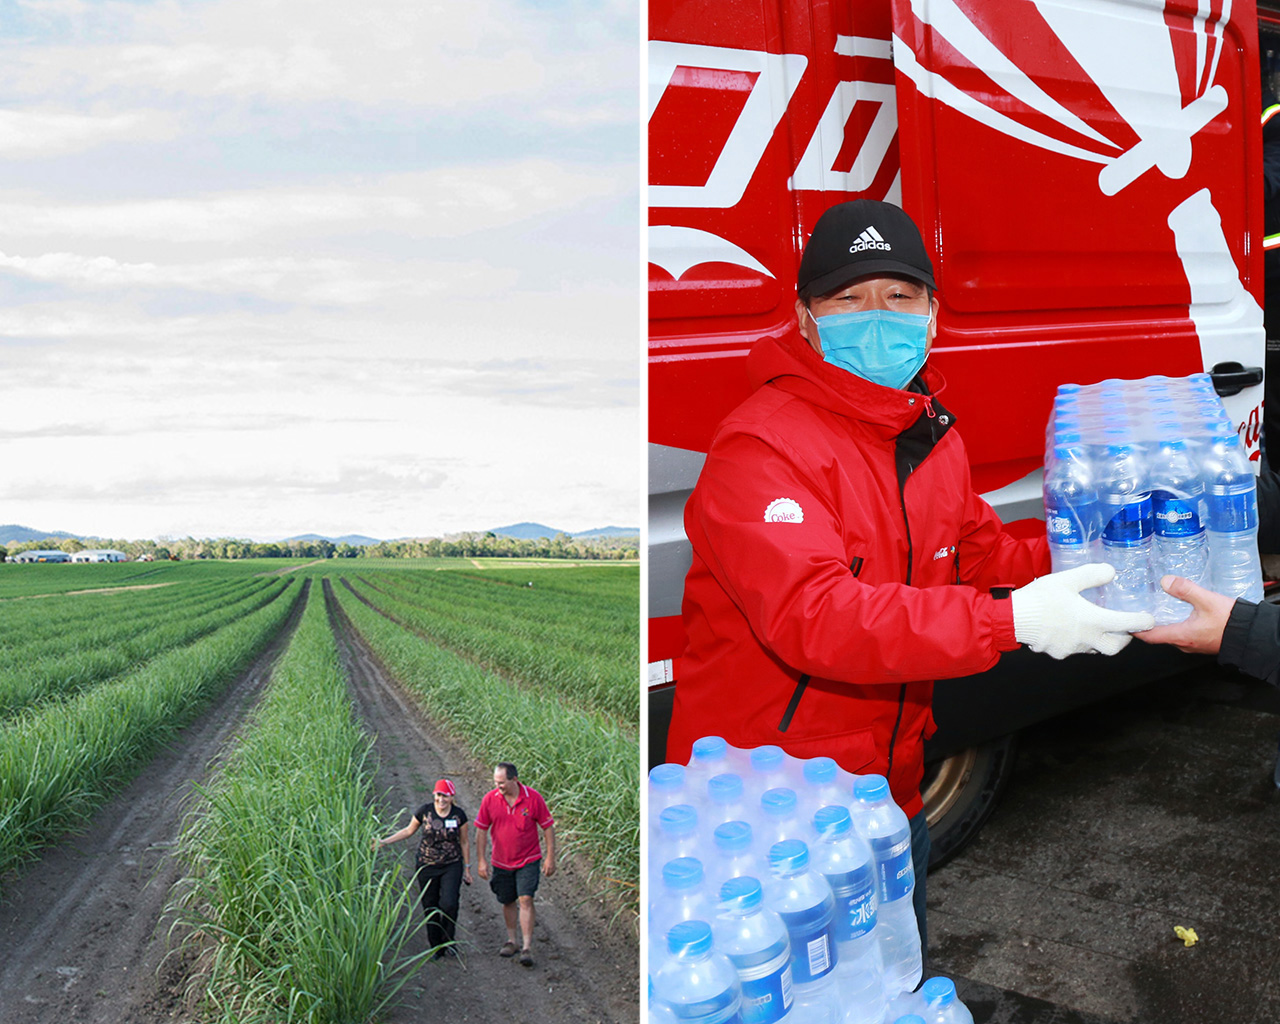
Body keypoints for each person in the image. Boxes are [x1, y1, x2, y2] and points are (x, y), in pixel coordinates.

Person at [667, 198, 1154, 957]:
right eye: (849, 298)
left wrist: (1101, 554)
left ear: (932, 313)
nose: (877, 317)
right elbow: (818, 618)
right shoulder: (760, 450)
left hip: (889, 794)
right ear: (804, 318)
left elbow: (983, 555)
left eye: (899, 297)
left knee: (890, 983)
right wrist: (1011, 622)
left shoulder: (926, 434)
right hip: (767, 819)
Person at [374, 778, 472, 958]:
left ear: (452, 797)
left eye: (446, 796)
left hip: (452, 864)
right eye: (439, 795)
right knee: (430, 905)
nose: (441, 800)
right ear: (434, 794)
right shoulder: (425, 812)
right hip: (426, 865)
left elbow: (464, 842)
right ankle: (436, 946)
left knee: (449, 903)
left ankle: (449, 941)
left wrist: (467, 868)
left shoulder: (459, 815)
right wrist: (383, 842)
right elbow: (408, 831)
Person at [474, 761, 556, 968]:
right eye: (496, 782)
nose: (498, 786)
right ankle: (512, 940)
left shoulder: (533, 798)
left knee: (526, 899)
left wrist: (550, 857)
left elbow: (547, 827)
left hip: (528, 859)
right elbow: (481, 830)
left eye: (502, 782)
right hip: (501, 861)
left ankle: (527, 947)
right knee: (507, 900)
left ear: (514, 779)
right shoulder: (490, 800)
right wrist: (481, 860)